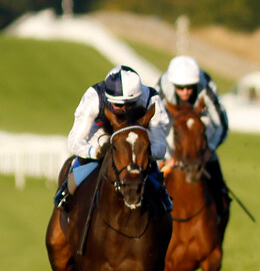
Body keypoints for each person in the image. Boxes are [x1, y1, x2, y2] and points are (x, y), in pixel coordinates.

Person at [54, 65, 172, 211]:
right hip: (101, 136)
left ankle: (162, 193)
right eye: (118, 105)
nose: (124, 110)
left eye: (130, 105)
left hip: (135, 143)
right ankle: (67, 190)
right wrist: (94, 152)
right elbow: (74, 141)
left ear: (138, 97)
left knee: (150, 166)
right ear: (108, 98)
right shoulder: (94, 97)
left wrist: (141, 153)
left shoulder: (151, 99)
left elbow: (160, 145)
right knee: (94, 152)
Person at [156, 55, 230, 215]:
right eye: (180, 88)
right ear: (172, 84)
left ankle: (221, 209)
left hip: (199, 129)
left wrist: (209, 149)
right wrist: (164, 157)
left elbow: (221, 124)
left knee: (219, 187)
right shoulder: (162, 88)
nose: (185, 92)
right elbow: (153, 126)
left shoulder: (207, 86)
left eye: (190, 87)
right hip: (171, 127)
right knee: (152, 178)